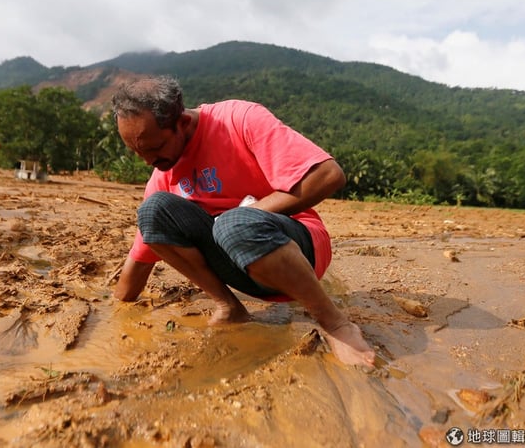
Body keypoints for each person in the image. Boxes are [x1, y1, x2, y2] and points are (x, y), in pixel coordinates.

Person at [111, 76, 376, 368]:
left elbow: (328, 175)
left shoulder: (239, 119)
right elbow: (142, 253)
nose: (148, 161)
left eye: (155, 147)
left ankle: (335, 323)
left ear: (182, 123)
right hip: (240, 258)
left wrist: (252, 213)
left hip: (297, 248)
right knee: (153, 211)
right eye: (138, 152)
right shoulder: (164, 172)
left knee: (233, 224)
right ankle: (229, 306)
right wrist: (117, 308)